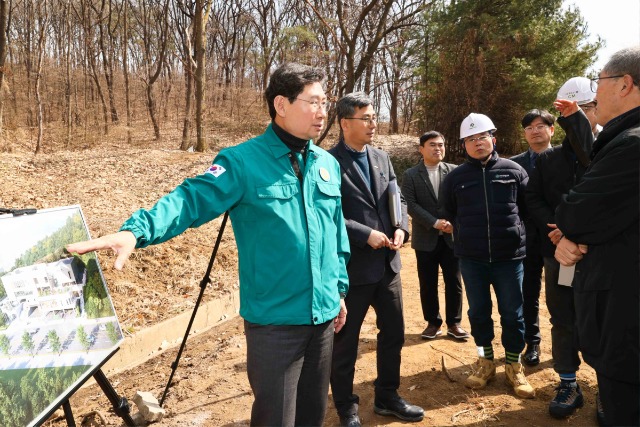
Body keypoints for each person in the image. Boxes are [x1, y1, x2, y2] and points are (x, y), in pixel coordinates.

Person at [66, 63, 351, 427]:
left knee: (312, 415)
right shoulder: (242, 162)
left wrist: (338, 289)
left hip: (324, 318)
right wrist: (136, 231)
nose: (323, 112)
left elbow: (335, 233)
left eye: (326, 102)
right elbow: (191, 200)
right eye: (314, 102)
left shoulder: (327, 163)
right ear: (281, 104)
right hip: (276, 325)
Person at [554, 47, 640, 426]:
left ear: (625, 84)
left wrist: (570, 231)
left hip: (626, 319)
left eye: (598, 83)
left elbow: (575, 214)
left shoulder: (633, 143)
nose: (595, 93)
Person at [328, 92, 424, 427]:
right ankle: (345, 405)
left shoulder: (382, 158)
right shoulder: (327, 163)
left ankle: (387, 395)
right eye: (365, 118)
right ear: (344, 123)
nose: (373, 124)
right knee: (345, 343)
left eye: (374, 117)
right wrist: (363, 233)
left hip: (388, 267)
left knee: (393, 334)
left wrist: (401, 228)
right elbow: (326, 215)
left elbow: (398, 200)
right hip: (352, 270)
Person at [441, 113, 535, 399]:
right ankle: (485, 361)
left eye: (482, 137)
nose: (477, 143)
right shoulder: (455, 178)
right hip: (472, 259)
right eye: (471, 139)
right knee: (478, 313)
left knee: (513, 313)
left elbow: (527, 210)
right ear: (463, 145)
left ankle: (512, 364)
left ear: (493, 138)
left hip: (509, 259)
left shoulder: (514, 171)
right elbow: (449, 212)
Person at [526, 77, 597, 419]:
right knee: (563, 316)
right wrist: (558, 229)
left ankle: (610, 386)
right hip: (560, 253)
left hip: (600, 254)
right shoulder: (547, 160)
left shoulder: (604, 153)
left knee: (606, 317)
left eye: (585, 110)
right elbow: (533, 198)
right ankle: (568, 382)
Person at [401, 131, 468, 341]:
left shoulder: (455, 171)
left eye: (441, 144)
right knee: (427, 282)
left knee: (454, 281)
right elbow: (410, 204)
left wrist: (453, 223)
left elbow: (463, 201)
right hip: (425, 238)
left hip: (452, 238)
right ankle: (432, 322)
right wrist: (434, 222)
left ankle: (454, 323)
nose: (437, 148)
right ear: (421, 149)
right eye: (432, 145)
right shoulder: (411, 175)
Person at [509, 109, 554, 366]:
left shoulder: (566, 158)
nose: (535, 131)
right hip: (525, 240)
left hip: (559, 238)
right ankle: (532, 342)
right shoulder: (514, 164)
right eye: (529, 127)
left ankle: (565, 345)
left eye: (540, 125)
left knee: (563, 293)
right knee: (528, 293)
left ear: (551, 129)